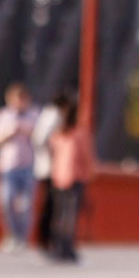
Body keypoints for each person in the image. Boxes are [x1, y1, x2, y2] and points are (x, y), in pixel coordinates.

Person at [0, 83, 38, 250]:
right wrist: (9, 133)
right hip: (8, 166)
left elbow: (44, 138)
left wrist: (27, 131)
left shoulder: (34, 114)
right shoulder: (2, 116)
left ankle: (22, 238)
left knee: (26, 204)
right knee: (6, 201)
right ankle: (11, 234)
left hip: (29, 165)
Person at [47, 98, 95, 263]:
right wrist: (89, 173)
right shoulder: (80, 134)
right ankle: (67, 248)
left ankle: (57, 246)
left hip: (58, 177)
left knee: (59, 213)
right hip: (75, 177)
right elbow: (86, 156)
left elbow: (52, 153)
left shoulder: (58, 134)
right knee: (70, 214)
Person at [32, 90, 72, 250]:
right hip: (50, 167)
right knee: (51, 205)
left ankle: (45, 239)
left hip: (46, 166)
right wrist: (55, 154)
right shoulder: (54, 115)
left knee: (50, 204)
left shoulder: (47, 113)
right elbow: (40, 139)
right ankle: (45, 239)